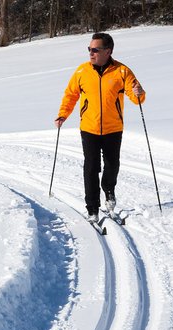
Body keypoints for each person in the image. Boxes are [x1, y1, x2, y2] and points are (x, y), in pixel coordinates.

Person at [55, 32, 145, 223]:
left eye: (95, 49)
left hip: (114, 128)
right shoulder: (82, 72)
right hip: (89, 128)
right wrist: (63, 114)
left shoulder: (122, 71)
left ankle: (109, 190)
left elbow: (136, 95)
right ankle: (92, 207)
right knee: (91, 167)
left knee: (112, 166)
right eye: (89, 49)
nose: (91, 53)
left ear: (108, 51)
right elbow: (70, 95)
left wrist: (139, 92)